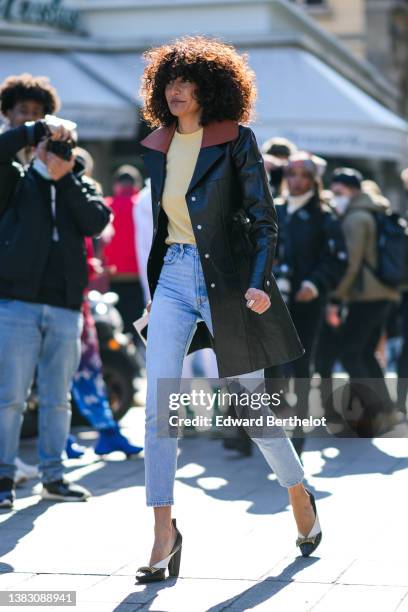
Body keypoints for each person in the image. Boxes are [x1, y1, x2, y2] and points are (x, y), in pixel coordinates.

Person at [135, 35, 323, 583]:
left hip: (227, 283)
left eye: (186, 81)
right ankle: (163, 534)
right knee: (158, 406)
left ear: (209, 88)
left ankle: (297, 489)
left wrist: (259, 281)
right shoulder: (156, 145)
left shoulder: (235, 141)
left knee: (249, 402)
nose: (176, 90)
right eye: (168, 80)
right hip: (172, 277)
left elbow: (264, 218)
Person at [0, 99, 111, 508]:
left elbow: (97, 220)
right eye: (49, 145)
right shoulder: (14, 179)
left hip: (65, 306)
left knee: (57, 396)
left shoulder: (77, 182)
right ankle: (2, 479)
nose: (56, 152)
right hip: (16, 303)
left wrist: (65, 178)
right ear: (35, 147)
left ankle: (54, 476)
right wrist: (35, 130)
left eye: (63, 146)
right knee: (10, 396)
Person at [265, 152, 348, 456]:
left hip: (306, 304)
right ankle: (272, 434)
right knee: (271, 366)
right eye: (291, 173)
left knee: (300, 366)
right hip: (272, 302)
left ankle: (297, 437)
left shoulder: (325, 216)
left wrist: (314, 285)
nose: (295, 180)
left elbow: (338, 260)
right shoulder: (275, 209)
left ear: (314, 180)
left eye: (303, 174)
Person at [330, 168, 401, 434]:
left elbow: (351, 263)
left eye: (339, 192)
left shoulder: (357, 217)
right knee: (365, 353)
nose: (335, 197)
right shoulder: (374, 209)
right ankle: (385, 411)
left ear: (353, 190)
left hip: (367, 295)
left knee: (350, 352)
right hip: (382, 293)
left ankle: (373, 415)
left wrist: (337, 296)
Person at [103, 165, 145, 337]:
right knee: (139, 326)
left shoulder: (106, 207)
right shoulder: (144, 206)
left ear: (116, 185)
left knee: (118, 326)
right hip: (140, 276)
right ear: (138, 184)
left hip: (114, 276)